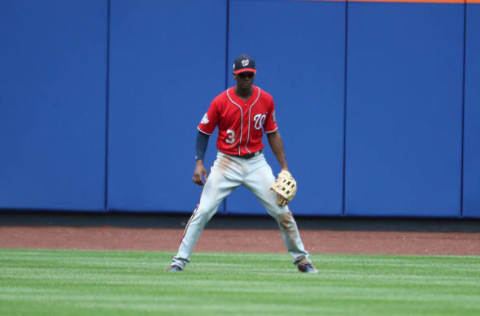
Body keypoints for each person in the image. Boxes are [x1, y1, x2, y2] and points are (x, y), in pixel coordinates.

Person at [167, 55, 317, 273]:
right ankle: (178, 262)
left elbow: (273, 133)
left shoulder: (266, 99)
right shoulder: (220, 101)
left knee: (282, 211)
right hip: (226, 162)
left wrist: (284, 167)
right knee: (204, 210)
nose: (246, 78)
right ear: (235, 76)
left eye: (250, 75)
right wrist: (199, 162)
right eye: (242, 75)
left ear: (254, 75)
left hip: (256, 162)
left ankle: (302, 260)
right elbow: (203, 131)